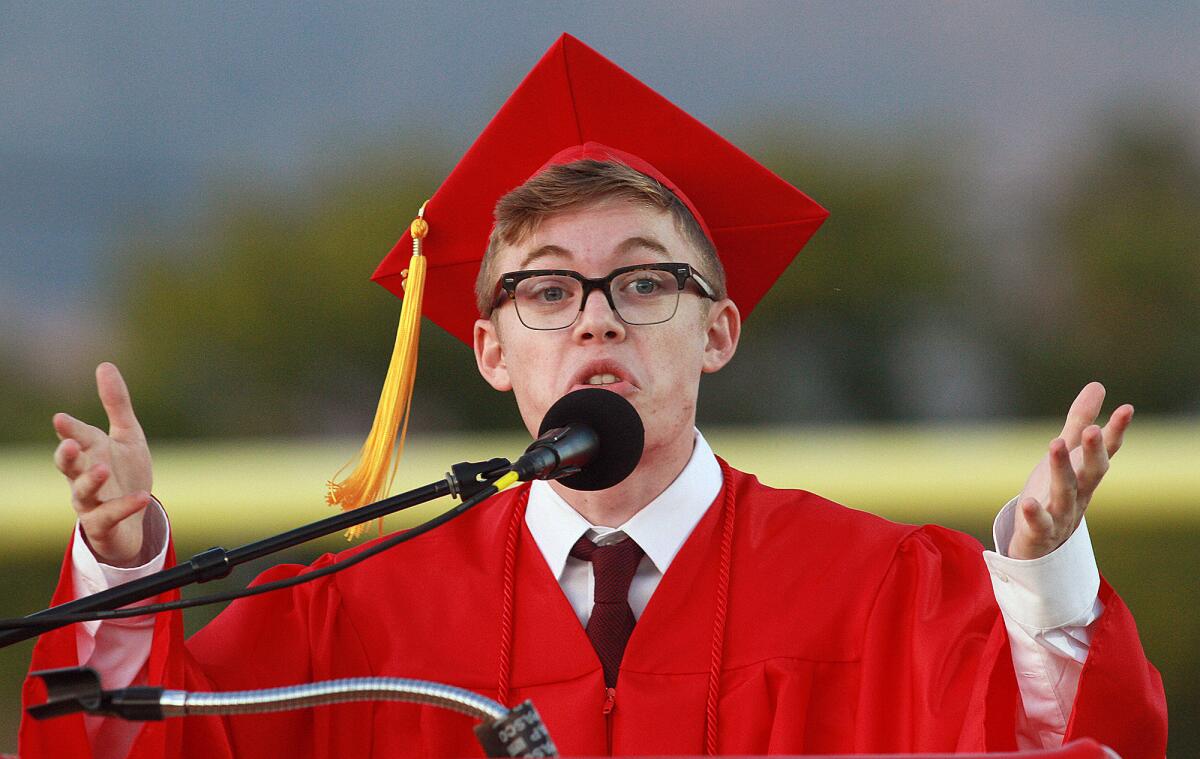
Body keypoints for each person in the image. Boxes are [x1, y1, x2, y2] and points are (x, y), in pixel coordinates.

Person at [21, 34, 1166, 758]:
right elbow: (131, 744)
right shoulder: (350, 617)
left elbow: (1060, 739)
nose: (597, 316)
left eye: (644, 281)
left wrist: (1040, 573)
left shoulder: (887, 596)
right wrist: (122, 563)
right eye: (548, 291)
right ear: (487, 349)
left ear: (719, 331)